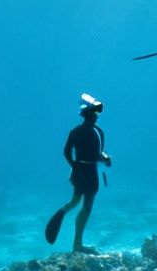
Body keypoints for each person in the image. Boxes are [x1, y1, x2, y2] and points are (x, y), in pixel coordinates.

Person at [45, 94, 111, 251]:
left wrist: (74, 166)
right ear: (93, 115)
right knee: (87, 207)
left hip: (80, 170)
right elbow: (98, 154)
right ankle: (77, 244)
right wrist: (107, 159)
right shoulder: (97, 132)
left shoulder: (76, 131)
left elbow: (66, 152)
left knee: (75, 202)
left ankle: (63, 214)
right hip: (90, 171)